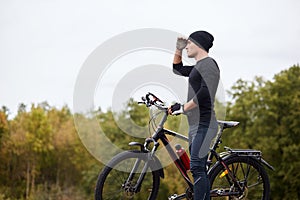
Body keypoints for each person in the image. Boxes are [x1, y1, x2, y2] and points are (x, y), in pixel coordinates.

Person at [168, 30, 220, 200]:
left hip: (205, 124)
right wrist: (179, 48)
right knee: (198, 168)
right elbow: (177, 69)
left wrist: (183, 107)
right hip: (195, 125)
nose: (187, 46)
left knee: (197, 166)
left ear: (199, 45)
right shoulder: (198, 66)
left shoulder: (209, 64)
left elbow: (205, 93)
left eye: (189, 43)